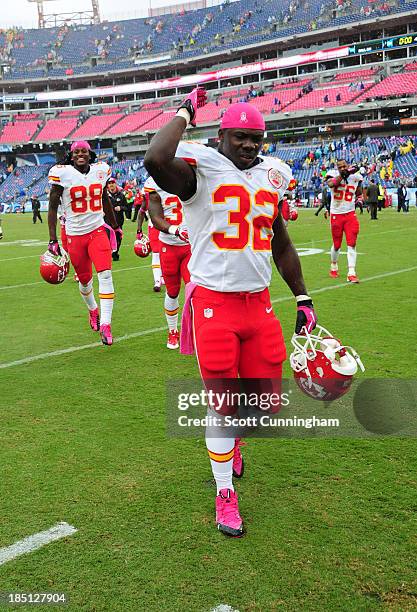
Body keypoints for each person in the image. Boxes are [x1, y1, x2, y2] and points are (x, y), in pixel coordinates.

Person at [144, 92, 317, 538]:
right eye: (240, 137)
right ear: (221, 136)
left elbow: (280, 242)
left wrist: (302, 298)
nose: (249, 145)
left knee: (262, 404)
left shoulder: (271, 176)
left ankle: (235, 442)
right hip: (214, 304)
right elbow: (155, 157)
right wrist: (185, 111)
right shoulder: (198, 173)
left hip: (258, 304)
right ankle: (224, 493)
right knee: (222, 405)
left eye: (256, 138)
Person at [47, 140, 120, 345]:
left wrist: (114, 226)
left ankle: (106, 324)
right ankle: (93, 310)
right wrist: (53, 239)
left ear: (90, 154)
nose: (80, 154)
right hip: (75, 235)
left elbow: (105, 198)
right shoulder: (62, 173)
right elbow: (52, 208)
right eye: (76, 151)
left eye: (84, 151)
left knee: (105, 275)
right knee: (85, 280)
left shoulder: (101, 170)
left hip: (97, 231)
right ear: (71, 155)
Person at [146, 178, 191, 349]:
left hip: (191, 246)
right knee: (172, 291)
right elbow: (156, 217)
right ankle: (173, 331)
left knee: (194, 289)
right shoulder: (155, 184)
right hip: (169, 245)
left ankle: (194, 329)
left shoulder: (193, 176)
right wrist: (175, 230)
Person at [326, 159, 362, 283]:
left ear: (347, 166)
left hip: (350, 214)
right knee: (337, 245)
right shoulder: (332, 174)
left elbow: (359, 192)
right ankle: (334, 266)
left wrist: (360, 200)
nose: (342, 168)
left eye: (344, 166)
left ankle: (351, 272)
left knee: (352, 243)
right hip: (336, 214)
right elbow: (331, 184)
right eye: (339, 167)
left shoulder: (356, 177)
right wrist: (343, 175)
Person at [136, 190, 164, 292]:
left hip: (168, 226)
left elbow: (142, 211)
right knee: (156, 253)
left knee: (165, 253)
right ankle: (157, 280)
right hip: (156, 227)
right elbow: (142, 211)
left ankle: (162, 276)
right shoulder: (149, 194)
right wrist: (139, 229)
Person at [105, 177, 128, 261]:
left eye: (113, 183)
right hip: (107, 222)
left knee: (118, 238)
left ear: (115, 184)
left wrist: (121, 207)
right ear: (107, 185)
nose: (111, 185)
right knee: (107, 239)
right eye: (109, 183)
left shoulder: (121, 195)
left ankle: (115, 253)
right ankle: (107, 254)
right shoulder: (104, 196)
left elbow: (127, 207)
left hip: (118, 222)